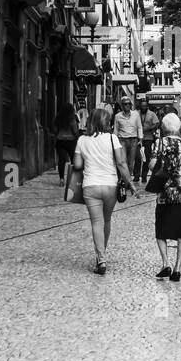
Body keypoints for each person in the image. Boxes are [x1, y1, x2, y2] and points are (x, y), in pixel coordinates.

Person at [72, 106, 138, 274]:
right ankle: (102, 253)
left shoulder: (82, 140)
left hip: (90, 186)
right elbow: (122, 163)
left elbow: (78, 165)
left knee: (96, 222)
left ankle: (101, 259)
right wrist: (129, 182)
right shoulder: (112, 138)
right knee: (106, 220)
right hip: (110, 185)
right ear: (105, 122)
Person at [146, 112, 181, 282]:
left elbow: (153, 165)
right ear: (179, 128)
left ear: (164, 128)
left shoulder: (159, 144)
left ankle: (165, 263)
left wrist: (165, 165)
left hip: (165, 195)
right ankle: (177, 269)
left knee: (161, 230)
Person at [114, 95, 143, 181]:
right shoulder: (117, 116)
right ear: (122, 106)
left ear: (131, 105)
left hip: (133, 140)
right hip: (122, 140)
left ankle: (128, 179)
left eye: (128, 104)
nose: (127, 105)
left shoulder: (136, 114)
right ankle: (123, 179)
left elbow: (139, 127)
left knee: (131, 162)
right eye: (124, 104)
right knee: (123, 161)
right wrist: (114, 141)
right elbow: (116, 129)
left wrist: (140, 139)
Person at [54, 103, 80, 186]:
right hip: (71, 141)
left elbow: (55, 130)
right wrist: (78, 137)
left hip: (60, 141)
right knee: (73, 161)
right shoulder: (72, 119)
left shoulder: (58, 119)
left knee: (61, 161)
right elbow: (75, 131)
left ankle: (61, 179)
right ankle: (73, 179)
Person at [138, 98, 160, 183]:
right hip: (138, 137)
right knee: (137, 157)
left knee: (147, 157)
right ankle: (136, 175)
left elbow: (157, 123)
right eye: (142, 106)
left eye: (145, 106)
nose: (143, 107)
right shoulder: (136, 114)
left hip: (148, 138)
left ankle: (144, 176)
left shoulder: (152, 114)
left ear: (147, 106)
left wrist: (148, 128)